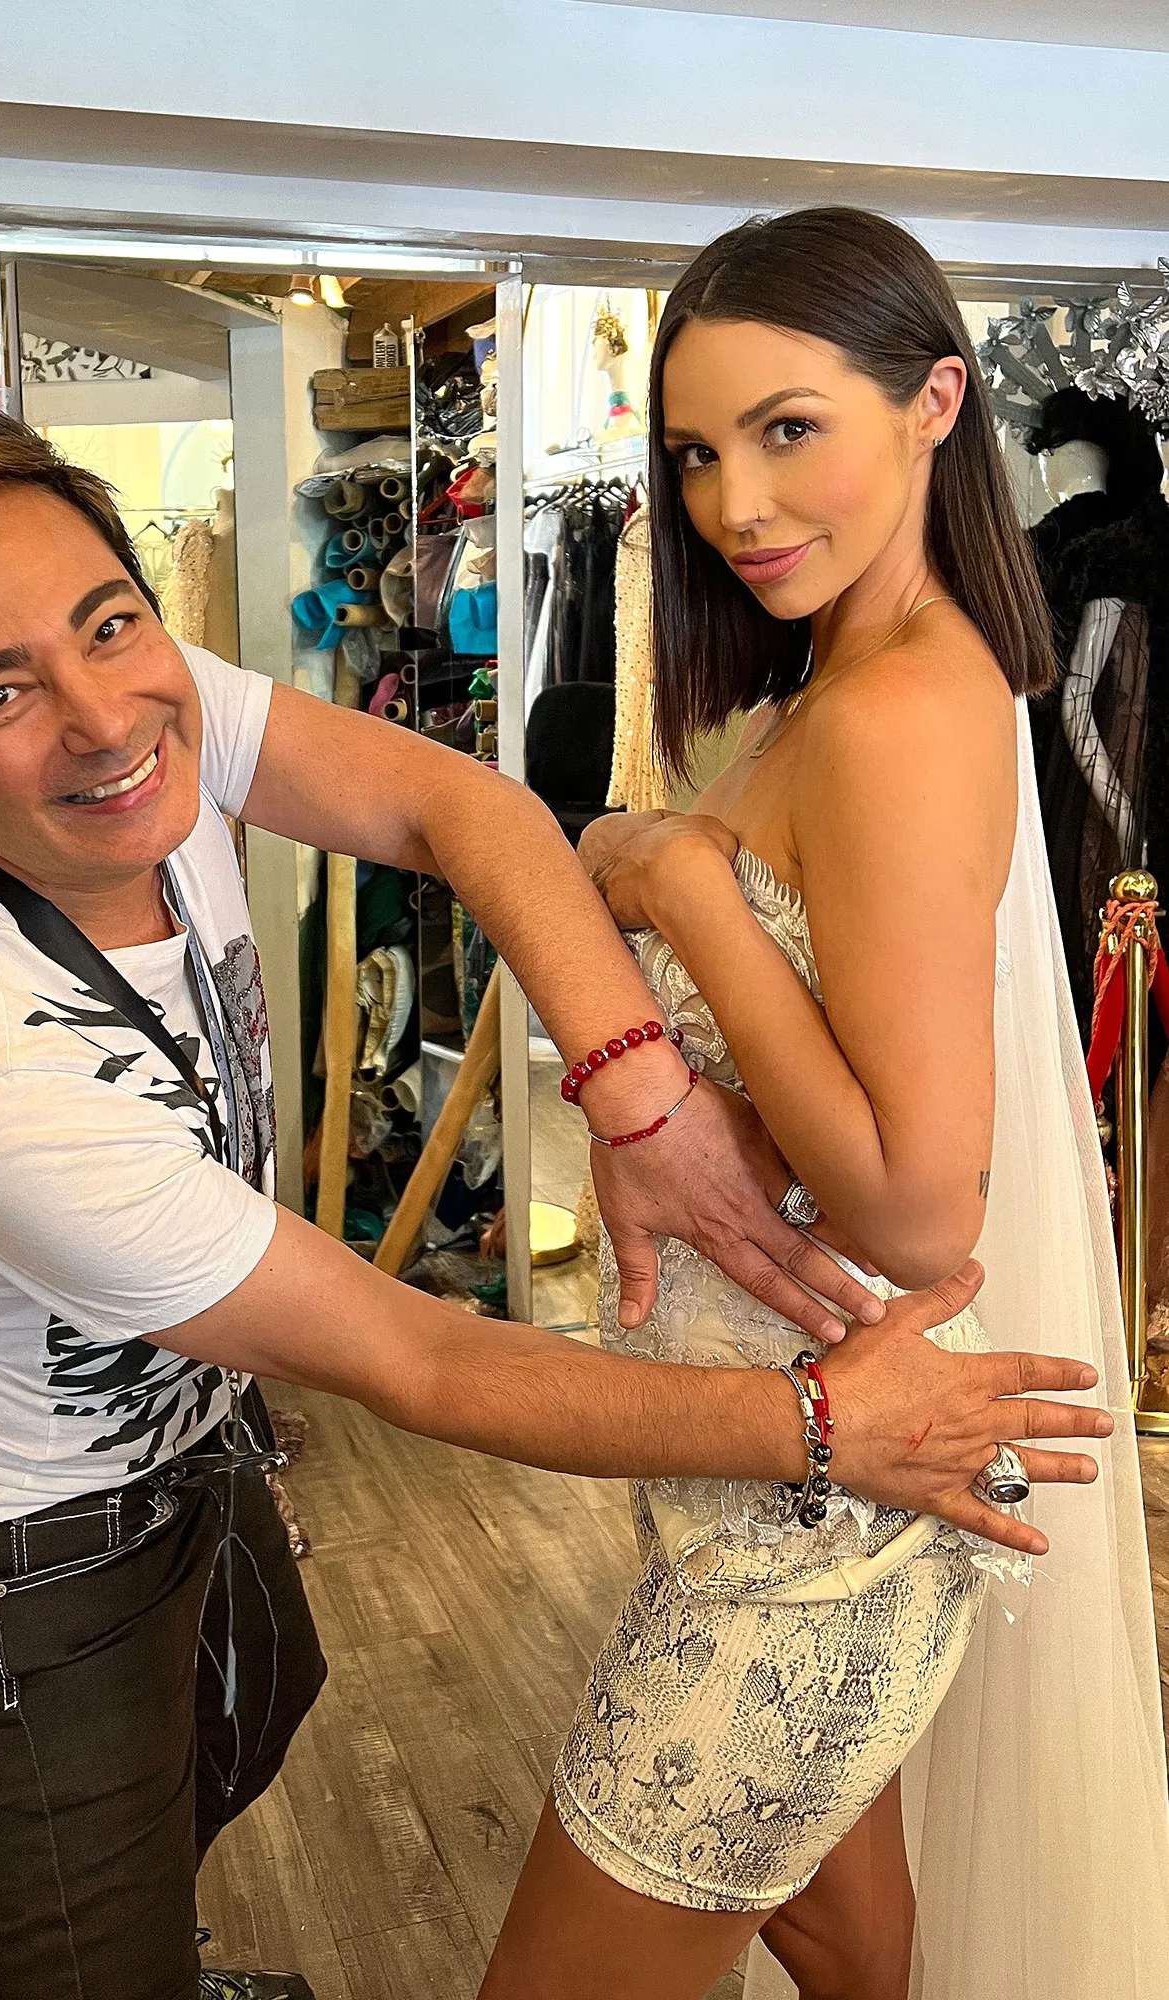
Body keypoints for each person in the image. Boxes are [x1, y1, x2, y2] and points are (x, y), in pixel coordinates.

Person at [0, 404, 1109, 2000]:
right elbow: (419, 1359)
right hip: (12, 1523)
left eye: (109, 624)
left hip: (193, 1416)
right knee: (84, 1938)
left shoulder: (142, 708)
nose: (102, 719)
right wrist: (819, 1424)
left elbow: (459, 807)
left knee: (244, 1718)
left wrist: (639, 1091)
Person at [481, 207, 1169, 2000]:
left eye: (791, 429)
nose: (736, 502)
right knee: (854, 1946)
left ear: (936, 402)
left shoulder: (894, 711)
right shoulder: (845, 685)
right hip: (768, 1476)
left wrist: (679, 881)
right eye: (699, 452)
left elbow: (921, 1210)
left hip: (815, 1520)